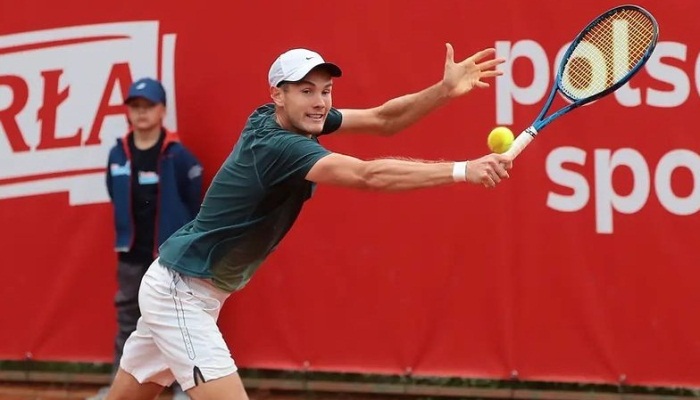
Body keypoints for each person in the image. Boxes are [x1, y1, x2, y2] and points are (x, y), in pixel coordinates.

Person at [104, 44, 512, 400]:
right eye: (306, 91)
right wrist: (463, 170)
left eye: (325, 90)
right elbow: (367, 175)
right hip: (181, 293)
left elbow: (383, 120)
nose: (320, 102)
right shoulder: (278, 146)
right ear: (277, 95)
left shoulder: (282, 118)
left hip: (188, 287)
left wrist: (443, 91)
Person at [94, 78, 203, 400]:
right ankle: (118, 390)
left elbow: (193, 202)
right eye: (135, 106)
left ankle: (186, 389)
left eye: (148, 106)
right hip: (131, 254)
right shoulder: (117, 154)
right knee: (128, 320)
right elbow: (114, 192)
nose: (141, 113)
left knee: (179, 323)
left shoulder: (179, 156)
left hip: (170, 258)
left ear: (163, 110)